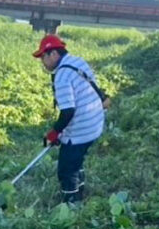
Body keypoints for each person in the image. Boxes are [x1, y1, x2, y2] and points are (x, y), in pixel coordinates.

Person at [32, 34, 107, 204]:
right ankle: (79, 192)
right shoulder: (77, 61)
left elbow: (68, 112)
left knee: (66, 170)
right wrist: (59, 133)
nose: (42, 62)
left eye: (43, 57)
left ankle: (71, 204)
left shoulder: (62, 76)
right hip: (95, 123)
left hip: (81, 129)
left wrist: (55, 132)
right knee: (76, 161)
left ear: (54, 54)